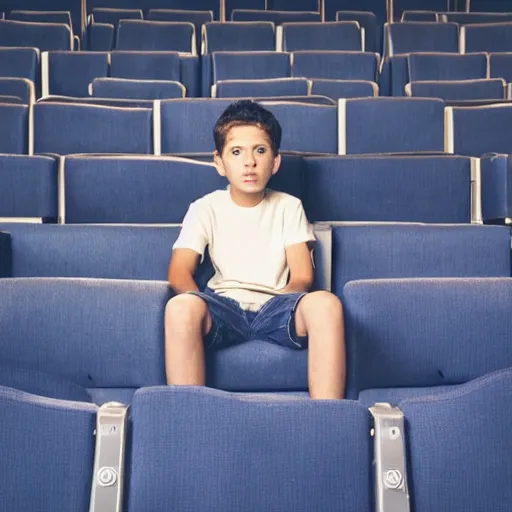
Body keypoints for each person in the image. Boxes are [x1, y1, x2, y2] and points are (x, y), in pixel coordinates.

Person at [164, 100, 345, 399]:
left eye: (260, 151)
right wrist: (197, 304)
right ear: (219, 162)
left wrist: (279, 304)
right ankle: (190, 421)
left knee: (326, 305)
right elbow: (179, 271)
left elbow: (302, 277)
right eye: (237, 152)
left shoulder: (289, 206)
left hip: (276, 306)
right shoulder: (205, 208)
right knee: (180, 307)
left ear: (275, 162)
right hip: (224, 307)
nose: (249, 162)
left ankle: (328, 419)